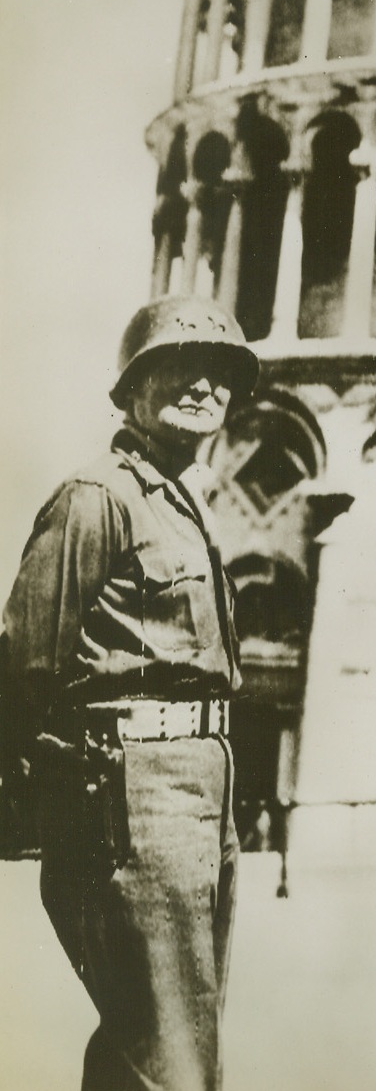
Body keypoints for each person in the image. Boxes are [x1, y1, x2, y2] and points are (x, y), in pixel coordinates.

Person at [2, 295, 258, 1091]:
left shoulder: (180, 503)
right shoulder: (96, 496)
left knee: (174, 1039)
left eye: (220, 373)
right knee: (165, 1052)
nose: (203, 386)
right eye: (177, 366)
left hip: (198, 790)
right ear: (133, 388)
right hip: (131, 792)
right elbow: (24, 663)